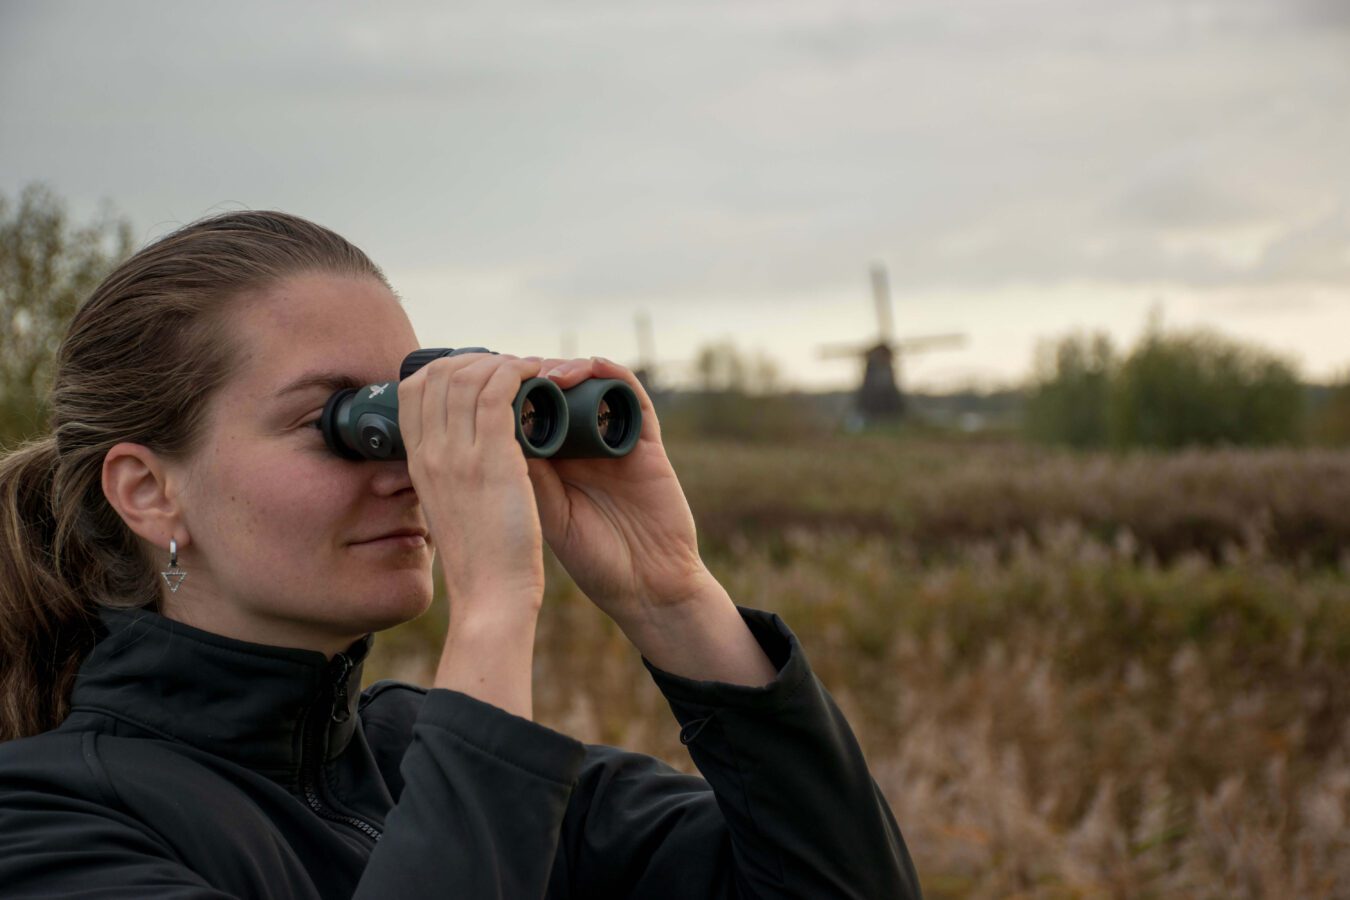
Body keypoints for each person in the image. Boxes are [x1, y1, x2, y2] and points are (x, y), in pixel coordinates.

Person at [0, 211, 921, 898]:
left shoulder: (424, 761)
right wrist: (490, 609)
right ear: (148, 492)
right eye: (347, 425)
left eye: (411, 411)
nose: (412, 469)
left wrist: (671, 595)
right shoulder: (46, 827)